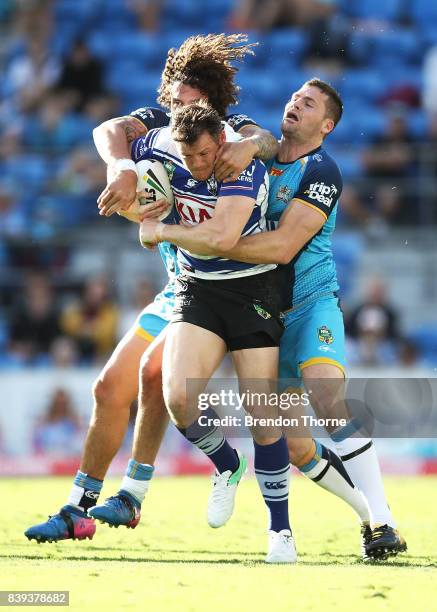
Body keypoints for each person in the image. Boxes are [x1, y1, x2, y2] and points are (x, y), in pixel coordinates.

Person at [24, 33, 279, 545]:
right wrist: (120, 168)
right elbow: (109, 128)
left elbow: (269, 140)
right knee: (107, 387)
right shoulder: (162, 129)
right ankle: (82, 507)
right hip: (180, 284)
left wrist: (253, 144)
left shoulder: (235, 136)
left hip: (234, 287)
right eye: (173, 100)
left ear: (211, 101)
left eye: (188, 101)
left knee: (155, 373)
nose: (175, 110)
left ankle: (136, 492)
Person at [192, 78, 406, 562]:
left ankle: (385, 518)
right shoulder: (261, 155)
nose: (294, 103)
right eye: (292, 97)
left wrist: (216, 243)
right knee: (296, 448)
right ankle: (371, 518)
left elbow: (285, 245)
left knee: (327, 394)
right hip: (264, 317)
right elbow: (253, 140)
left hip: (311, 304)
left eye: (307, 103)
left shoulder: (322, 170)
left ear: (326, 126)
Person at [112, 102, 296, 562]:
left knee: (262, 413)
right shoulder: (159, 146)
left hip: (252, 288)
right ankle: (227, 463)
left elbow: (222, 238)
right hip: (198, 290)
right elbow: (109, 132)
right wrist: (121, 172)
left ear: (220, 142)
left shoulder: (239, 162)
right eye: (188, 156)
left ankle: (280, 532)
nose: (196, 164)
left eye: (204, 155)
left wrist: (161, 229)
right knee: (177, 399)